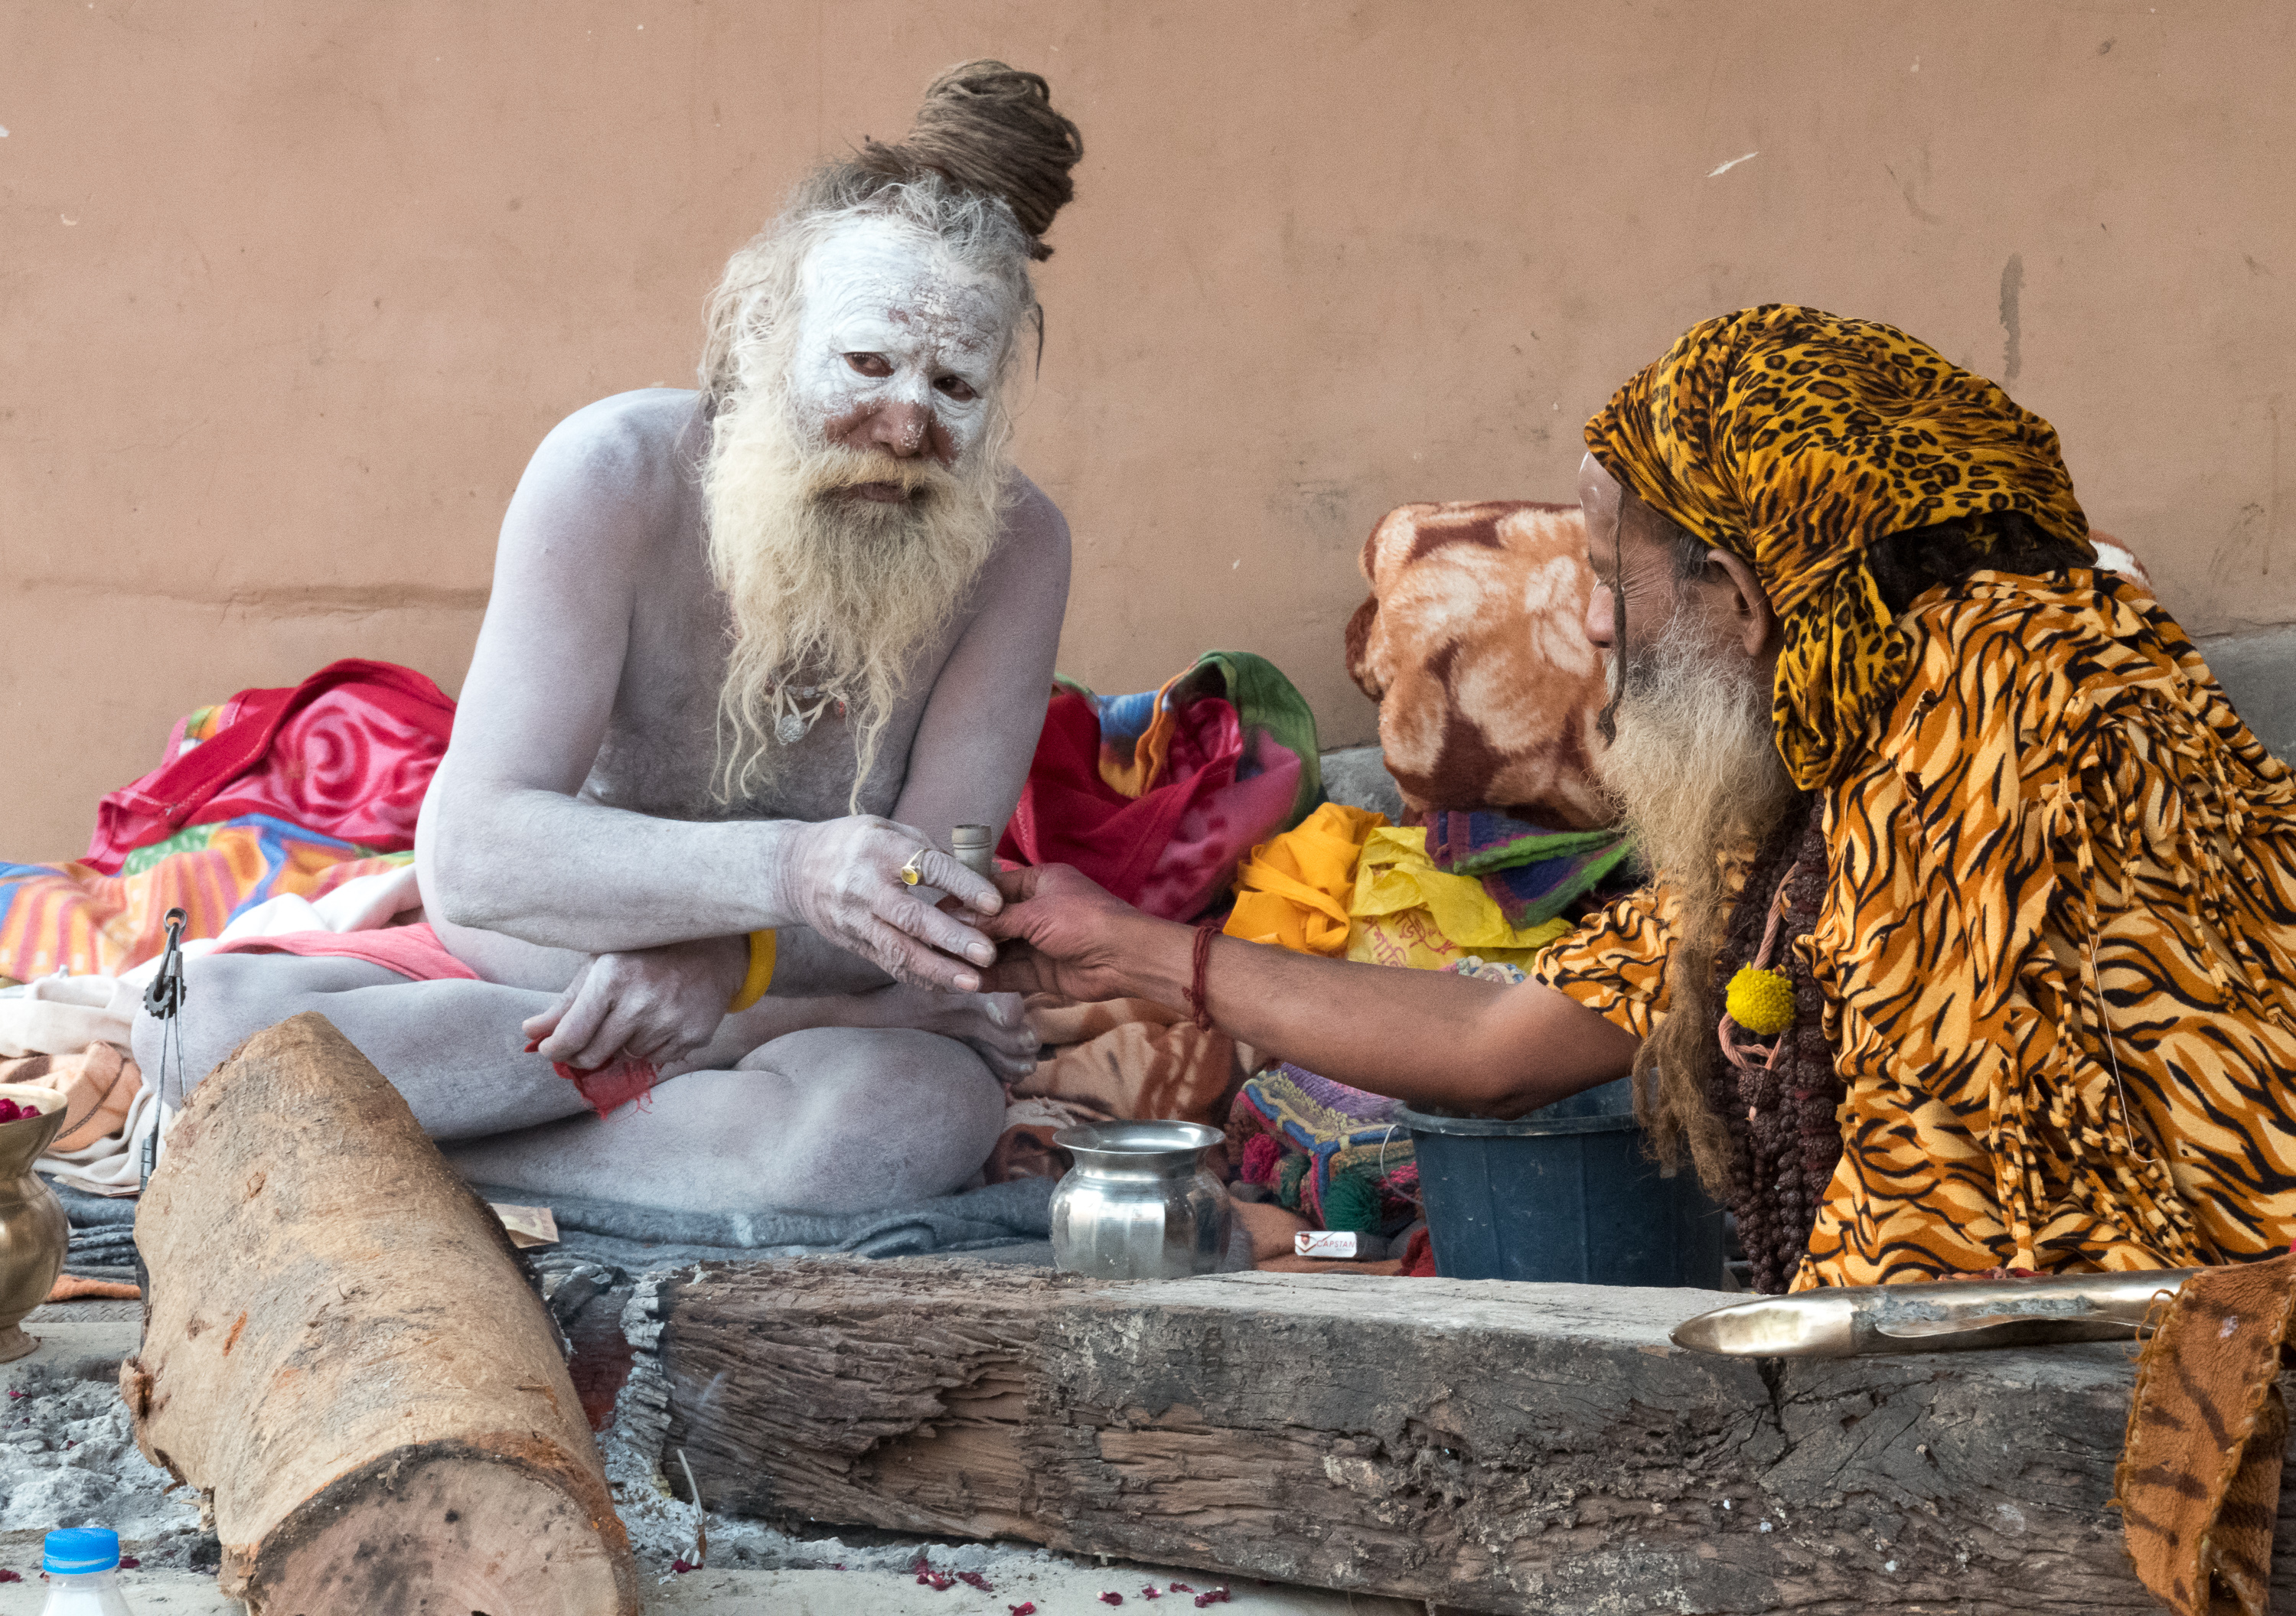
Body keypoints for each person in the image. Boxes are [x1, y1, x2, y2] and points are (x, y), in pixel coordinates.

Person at [984, 305, 2296, 1290]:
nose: (1596, 627)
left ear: (1740, 590)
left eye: (1617, 573)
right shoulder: (1833, 778)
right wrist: (1125, 945)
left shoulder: (1995, 753)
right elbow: (1493, 1056)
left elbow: (1954, 1301)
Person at [131, 63, 1084, 1215]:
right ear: (764, 338)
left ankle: (381, 1154)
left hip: (794, 1014)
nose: (905, 425)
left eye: (956, 385)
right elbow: (475, 856)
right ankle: (644, 1131)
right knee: (190, 1023)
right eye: (870, 364)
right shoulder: (614, 473)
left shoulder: (1016, 547)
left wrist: (729, 968)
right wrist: (789, 872)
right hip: (540, 982)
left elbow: (932, 907)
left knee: (904, 1120)